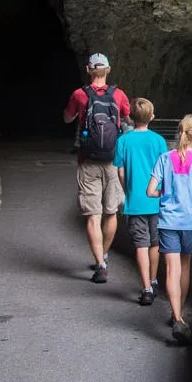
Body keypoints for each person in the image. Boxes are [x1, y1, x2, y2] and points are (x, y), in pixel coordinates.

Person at [63, 53, 131, 283]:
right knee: (111, 212)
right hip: (113, 160)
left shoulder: (79, 94)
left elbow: (67, 117)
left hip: (88, 160)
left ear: (88, 70)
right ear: (108, 70)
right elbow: (127, 117)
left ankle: (100, 264)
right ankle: (104, 254)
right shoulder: (119, 95)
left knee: (93, 214)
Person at [147, 115, 192, 343]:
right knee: (184, 268)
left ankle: (176, 317)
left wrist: (163, 193)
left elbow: (150, 191)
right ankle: (180, 315)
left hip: (167, 222)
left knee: (171, 270)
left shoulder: (165, 159)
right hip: (189, 223)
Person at [113, 97, 165, 305]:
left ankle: (146, 289)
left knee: (141, 246)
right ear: (152, 117)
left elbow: (121, 171)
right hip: (156, 201)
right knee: (154, 243)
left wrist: (128, 190)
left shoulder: (123, 141)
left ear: (130, 117)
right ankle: (153, 279)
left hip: (135, 202)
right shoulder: (159, 141)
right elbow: (164, 170)